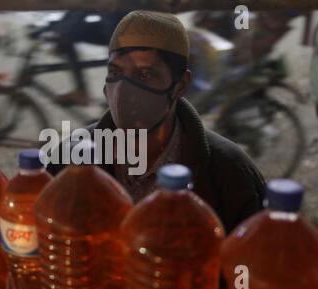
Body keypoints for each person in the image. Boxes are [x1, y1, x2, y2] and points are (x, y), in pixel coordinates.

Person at [47, 10, 266, 235]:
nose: (123, 92)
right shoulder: (69, 161)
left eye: (144, 74)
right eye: (115, 72)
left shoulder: (229, 175)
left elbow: (252, 262)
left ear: (181, 85)